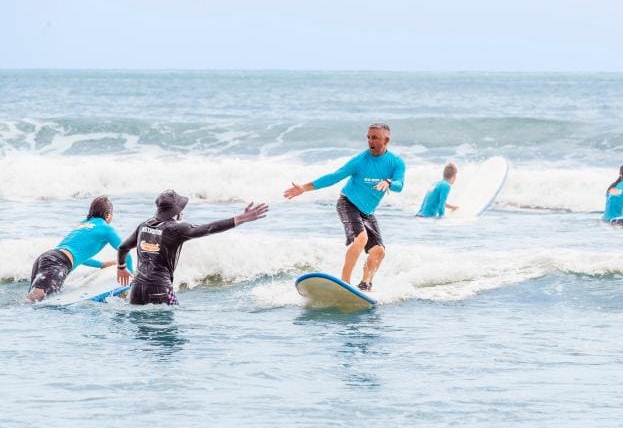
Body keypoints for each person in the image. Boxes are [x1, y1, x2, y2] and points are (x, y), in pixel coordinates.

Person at [283, 123, 405, 291]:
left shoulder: (396, 163)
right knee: (361, 239)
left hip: (368, 212)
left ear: (386, 140)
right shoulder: (360, 160)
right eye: (368, 137)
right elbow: (334, 177)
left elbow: (399, 185)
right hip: (348, 203)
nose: (370, 140)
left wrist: (388, 182)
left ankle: (365, 285)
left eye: (375, 137)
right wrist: (304, 187)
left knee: (379, 252)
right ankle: (344, 283)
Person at [116, 190, 268, 305]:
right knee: (169, 342)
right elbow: (208, 229)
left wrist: (121, 267)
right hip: (160, 289)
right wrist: (241, 218)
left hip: (136, 290)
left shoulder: (144, 225)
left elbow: (123, 248)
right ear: (176, 211)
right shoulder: (176, 229)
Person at [25, 195, 134, 303]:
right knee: (34, 299)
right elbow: (125, 251)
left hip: (47, 257)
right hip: (58, 262)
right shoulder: (106, 228)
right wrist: (132, 275)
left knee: (38, 301)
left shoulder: (84, 224)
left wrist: (101, 264)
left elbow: (77, 255)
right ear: (108, 214)